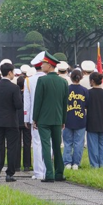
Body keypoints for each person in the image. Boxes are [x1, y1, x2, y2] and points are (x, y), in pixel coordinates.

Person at [32, 52, 67, 182]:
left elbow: (38, 101)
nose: (41, 65)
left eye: (44, 63)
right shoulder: (63, 82)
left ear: (50, 65)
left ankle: (49, 174)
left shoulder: (42, 81)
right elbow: (65, 104)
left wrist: (35, 118)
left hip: (43, 119)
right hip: (58, 119)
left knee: (46, 146)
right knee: (57, 146)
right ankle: (59, 173)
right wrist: (63, 120)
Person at [0, 62, 22, 182]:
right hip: (11, 121)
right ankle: (9, 174)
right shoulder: (15, 88)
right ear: (10, 72)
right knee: (11, 147)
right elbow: (18, 105)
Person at [62, 69, 87, 170]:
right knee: (79, 143)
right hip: (80, 119)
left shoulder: (66, 89)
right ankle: (76, 163)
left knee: (67, 142)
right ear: (80, 78)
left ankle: (67, 163)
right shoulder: (84, 90)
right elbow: (86, 105)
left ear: (71, 77)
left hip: (67, 118)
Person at [85, 72, 103, 168]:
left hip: (92, 121)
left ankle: (94, 165)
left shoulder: (88, 92)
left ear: (92, 81)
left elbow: (86, 106)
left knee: (92, 146)